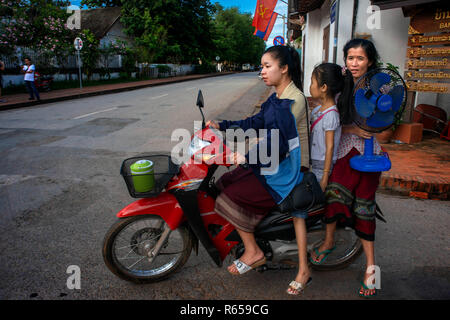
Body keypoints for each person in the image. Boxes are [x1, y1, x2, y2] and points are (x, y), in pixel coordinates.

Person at [206, 46, 310, 289]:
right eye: (261, 66)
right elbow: (256, 122)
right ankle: (248, 231)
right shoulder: (276, 97)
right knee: (225, 182)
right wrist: (223, 126)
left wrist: (243, 157)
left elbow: (278, 144)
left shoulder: (294, 100)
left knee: (228, 196)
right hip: (273, 159)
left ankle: (253, 252)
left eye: (266, 66)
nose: (261, 72)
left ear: (284, 69)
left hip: (288, 168)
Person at [309, 38, 383, 298]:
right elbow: (338, 119)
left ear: (370, 61)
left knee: (365, 208)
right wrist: (352, 128)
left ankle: (371, 269)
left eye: (360, 58)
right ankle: (329, 241)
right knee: (332, 194)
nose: (354, 63)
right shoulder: (342, 86)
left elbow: (384, 129)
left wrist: (367, 130)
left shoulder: (380, 89)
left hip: (368, 156)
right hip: (343, 151)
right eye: (350, 58)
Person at [286, 63, 344, 295]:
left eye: (312, 82)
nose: (309, 87)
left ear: (324, 87)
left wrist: (325, 178)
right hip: (312, 165)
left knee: (299, 206)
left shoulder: (331, 115)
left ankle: (305, 257)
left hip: (321, 169)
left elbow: (330, 149)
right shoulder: (318, 109)